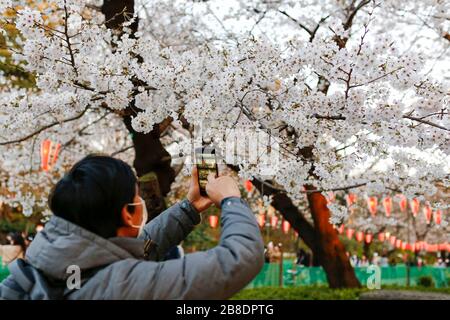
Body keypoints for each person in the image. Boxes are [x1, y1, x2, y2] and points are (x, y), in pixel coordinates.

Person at [0, 154, 264, 299]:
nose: (140, 201)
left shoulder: (42, 269)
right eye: (136, 195)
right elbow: (239, 260)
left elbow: (117, 254)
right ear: (128, 214)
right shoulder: (124, 287)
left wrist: (189, 207)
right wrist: (231, 201)